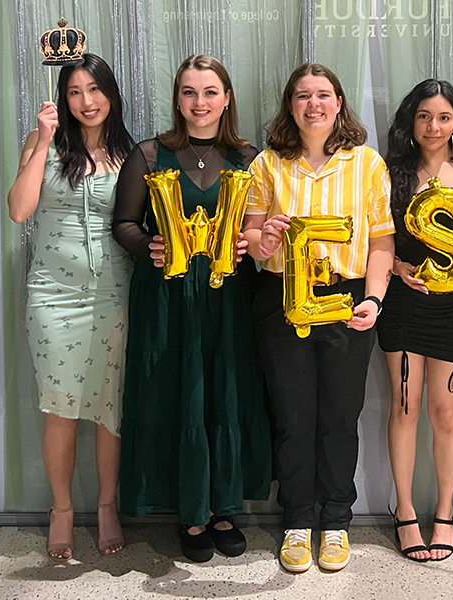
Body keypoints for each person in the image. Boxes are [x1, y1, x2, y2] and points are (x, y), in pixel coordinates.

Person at [112, 55, 271, 563]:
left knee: (226, 391)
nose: (199, 102)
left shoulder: (249, 158)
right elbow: (123, 223)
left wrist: (250, 241)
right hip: (167, 296)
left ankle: (224, 507)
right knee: (176, 390)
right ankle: (190, 513)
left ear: (226, 99)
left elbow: (260, 226)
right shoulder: (147, 153)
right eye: (189, 92)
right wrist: (148, 247)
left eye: (209, 92)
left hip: (230, 295)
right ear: (177, 100)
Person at [243, 63, 395, 573]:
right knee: (291, 414)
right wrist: (264, 240)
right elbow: (252, 237)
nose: (314, 104)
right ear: (290, 105)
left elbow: (381, 241)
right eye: (303, 96)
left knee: (339, 415)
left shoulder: (367, 163)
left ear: (339, 103)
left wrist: (374, 299)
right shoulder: (267, 164)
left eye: (323, 95)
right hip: (282, 297)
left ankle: (335, 520)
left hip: (346, 297)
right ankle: (295, 520)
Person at [7, 53, 134, 561]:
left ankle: (106, 506)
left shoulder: (129, 153)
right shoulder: (43, 143)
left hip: (113, 292)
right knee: (59, 408)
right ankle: (60, 509)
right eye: (75, 92)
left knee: (109, 408)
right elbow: (19, 210)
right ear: (63, 98)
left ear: (111, 94)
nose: (86, 101)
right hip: (52, 293)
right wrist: (42, 140)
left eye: (95, 89)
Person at [377, 79, 453, 562]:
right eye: (424, 116)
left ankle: (446, 512)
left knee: (446, 413)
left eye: (443, 117)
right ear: (410, 122)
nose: (433, 126)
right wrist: (397, 268)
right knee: (404, 408)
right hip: (403, 303)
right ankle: (405, 511)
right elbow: (376, 237)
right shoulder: (389, 172)